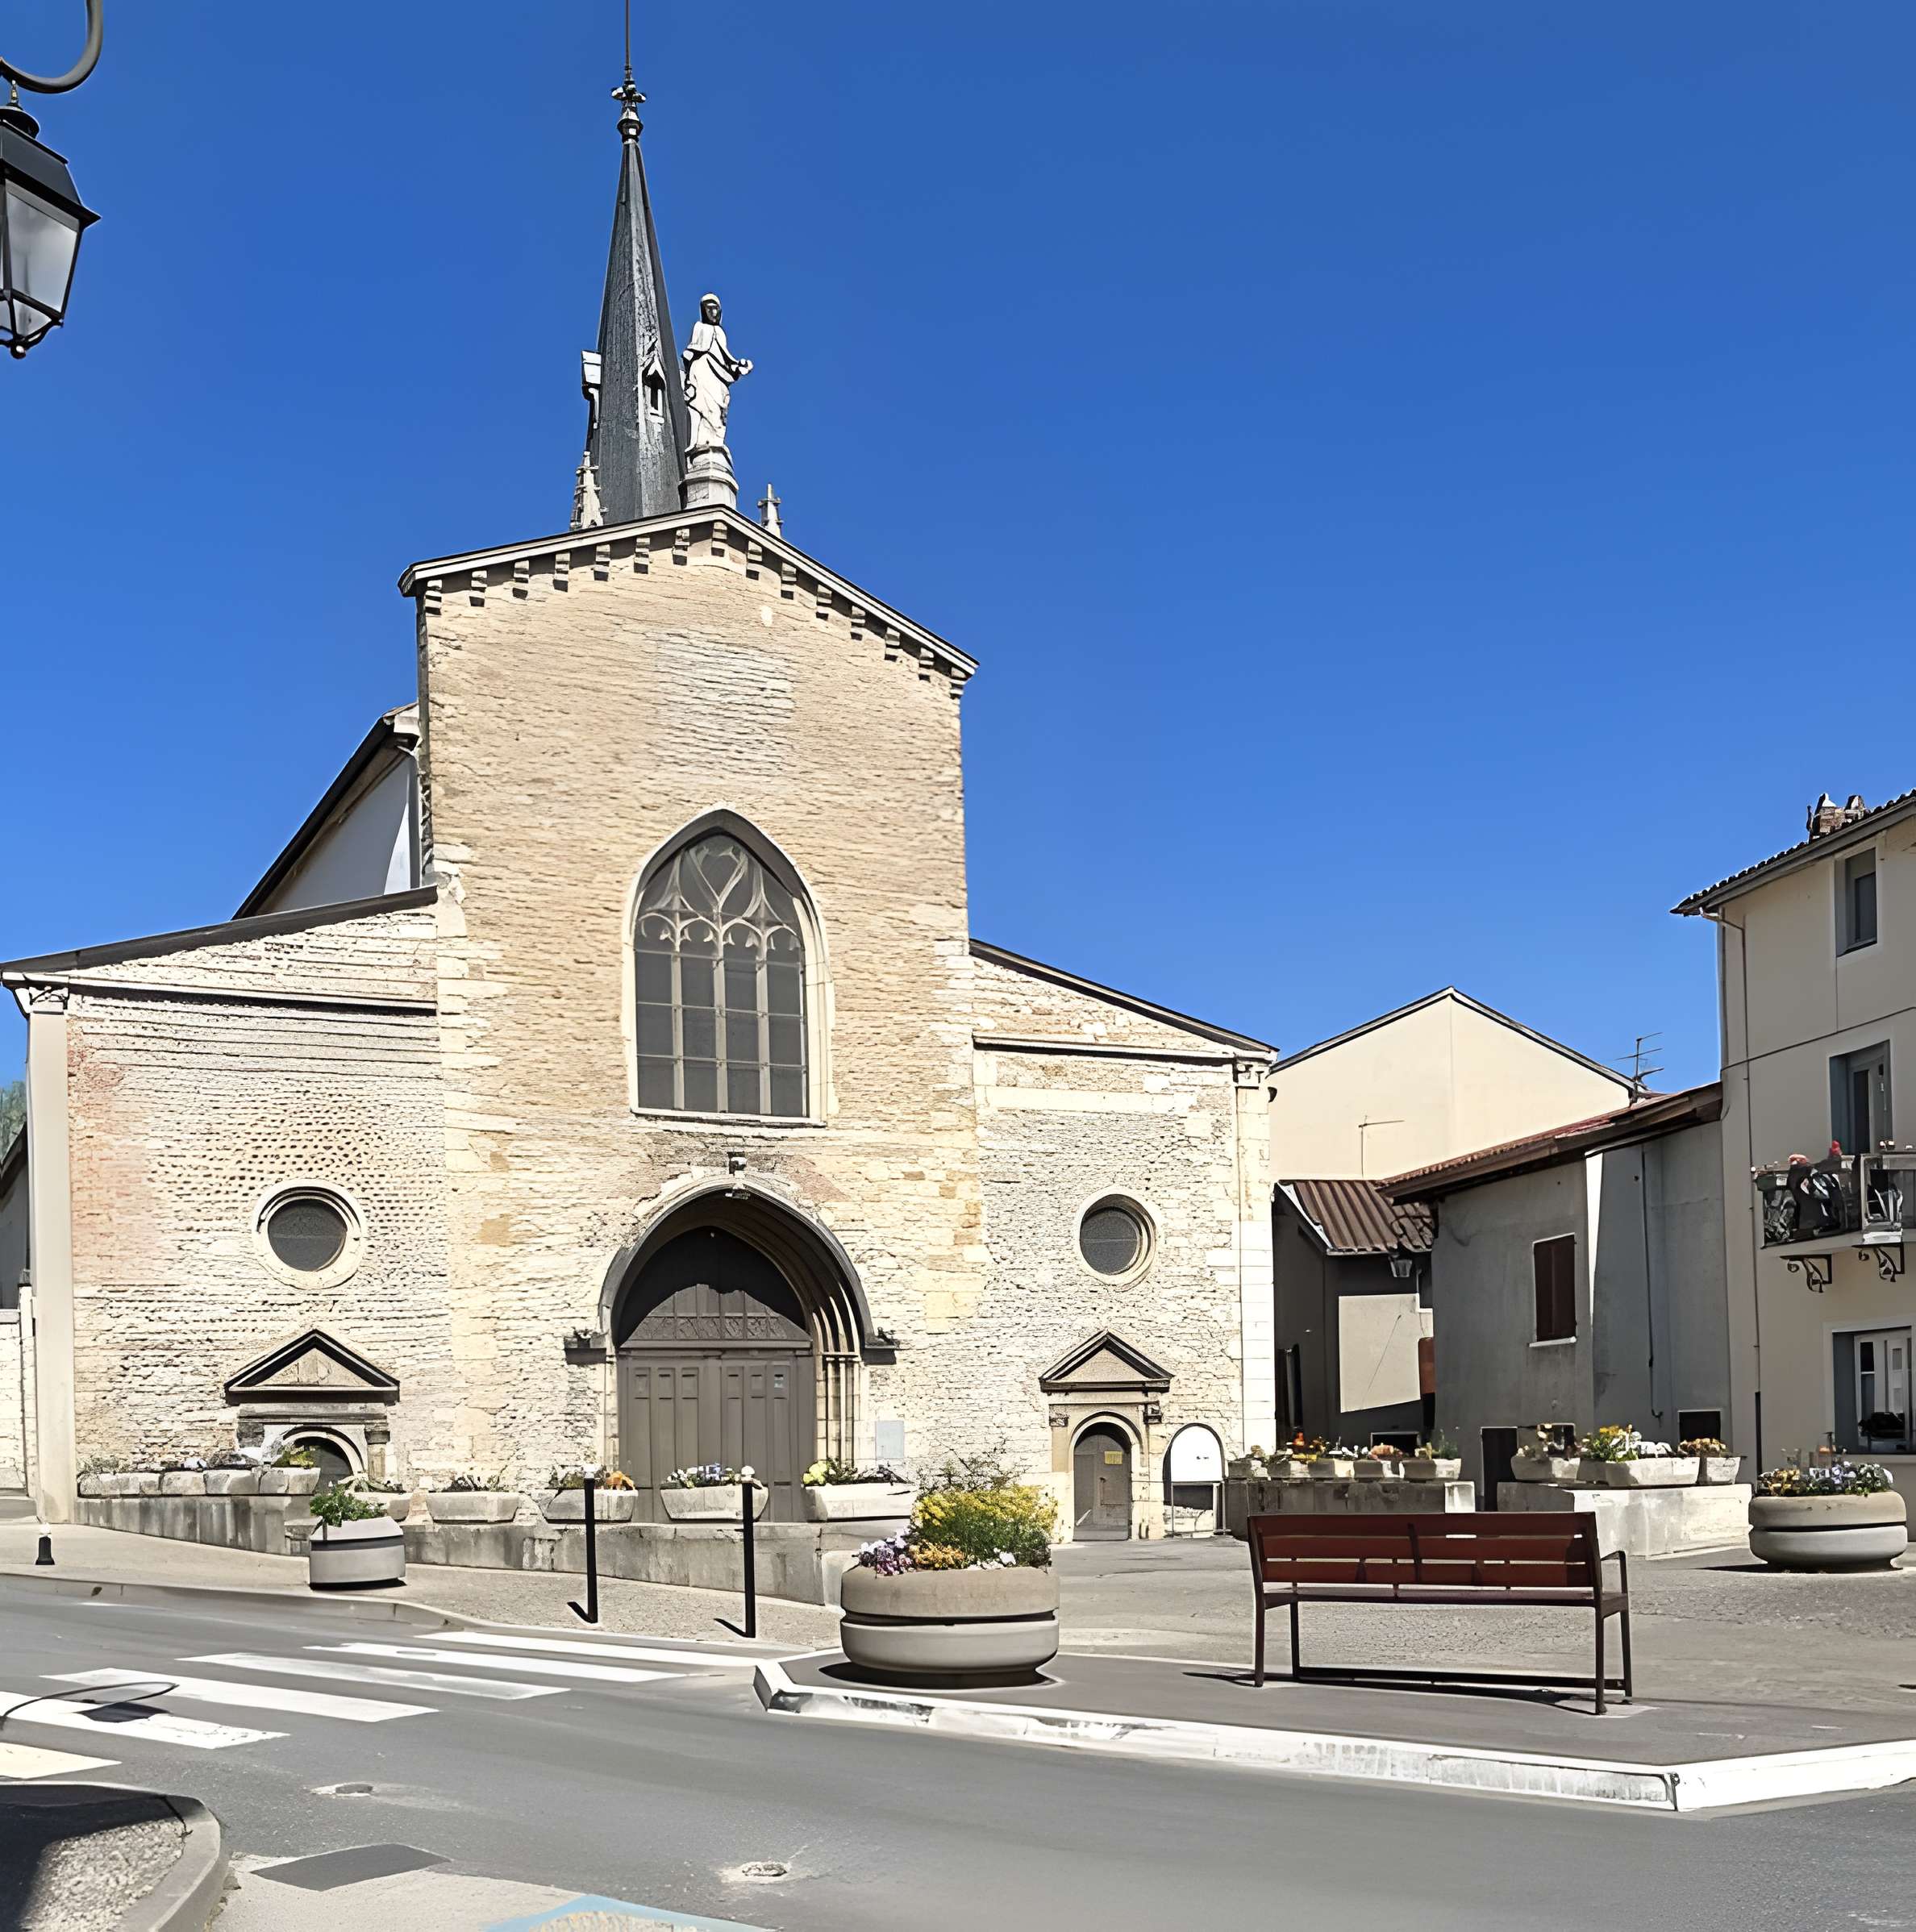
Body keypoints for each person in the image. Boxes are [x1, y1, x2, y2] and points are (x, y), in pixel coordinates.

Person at [682, 294, 752, 450]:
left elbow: (725, 358)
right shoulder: (699, 327)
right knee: (701, 405)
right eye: (709, 309)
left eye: (716, 309)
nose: (713, 313)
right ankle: (699, 443)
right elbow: (693, 350)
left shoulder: (720, 333)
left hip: (718, 376)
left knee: (718, 409)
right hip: (701, 369)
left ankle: (714, 442)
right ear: (704, 310)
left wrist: (738, 367)